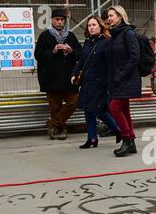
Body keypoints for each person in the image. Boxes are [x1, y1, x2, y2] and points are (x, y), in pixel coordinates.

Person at [71, 16, 122, 149]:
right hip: (87, 81)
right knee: (88, 109)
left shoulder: (106, 42)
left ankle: (117, 129)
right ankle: (92, 138)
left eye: (94, 25)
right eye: (89, 25)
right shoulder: (88, 42)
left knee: (98, 109)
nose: (91, 27)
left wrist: (111, 81)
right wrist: (74, 73)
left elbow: (111, 63)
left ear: (100, 26)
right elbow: (82, 61)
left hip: (100, 82)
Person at [34, 8, 82, 140]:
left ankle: (53, 124)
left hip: (69, 77)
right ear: (52, 20)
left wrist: (71, 50)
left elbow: (81, 53)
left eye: (62, 20)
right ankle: (61, 129)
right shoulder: (45, 36)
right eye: (57, 19)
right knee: (55, 106)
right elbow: (38, 55)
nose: (60, 22)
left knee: (73, 101)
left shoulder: (71, 36)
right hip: (51, 78)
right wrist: (53, 51)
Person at [105, 6, 141, 157]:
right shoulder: (115, 34)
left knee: (114, 108)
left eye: (111, 15)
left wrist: (122, 73)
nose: (109, 18)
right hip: (117, 78)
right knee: (124, 109)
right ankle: (131, 142)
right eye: (108, 16)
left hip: (126, 78)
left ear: (120, 16)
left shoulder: (128, 33)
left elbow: (135, 56)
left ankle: (126, 139)